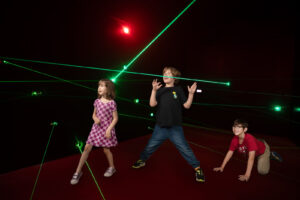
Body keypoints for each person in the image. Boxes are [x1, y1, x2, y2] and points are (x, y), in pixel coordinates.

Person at [132, 66, 205, 182]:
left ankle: (198, 169)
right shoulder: (160, 90)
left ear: (174, 77)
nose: (165, 75)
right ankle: (142, 160)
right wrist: (154, 90)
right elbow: (152, 104)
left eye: (169, 73)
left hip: (175, 128)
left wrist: (191, 94)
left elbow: (186, 106)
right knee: (150, 146)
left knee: (185, 149)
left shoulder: (179, 90)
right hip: (160, 127)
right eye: (164, 73)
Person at [70, 79, 118, 185]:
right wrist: (95, 118)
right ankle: (78, 172)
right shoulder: (97, 101)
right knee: (86, 148)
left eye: (102, 86)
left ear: (108, 89)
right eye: (99, 85)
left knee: (106, 150)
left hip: (106, 129)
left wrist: (109, 129)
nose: (99, 88)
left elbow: (115, 118)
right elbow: (94, 114)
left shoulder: (112, 103)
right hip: (96, 128)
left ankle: (112, 167)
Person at [213, 119, 282, 181]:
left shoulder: (249, 139)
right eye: (234, 126)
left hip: (263, 150)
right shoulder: (234, 139)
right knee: (248, 149)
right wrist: (222, 166)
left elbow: (251, 158)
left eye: (239, 127)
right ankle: (258, 144)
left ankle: (270, 154)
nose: (235, 129)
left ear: (245, 129)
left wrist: (247, 175)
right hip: (255, 145)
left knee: (262, 171)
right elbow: (230, 152)